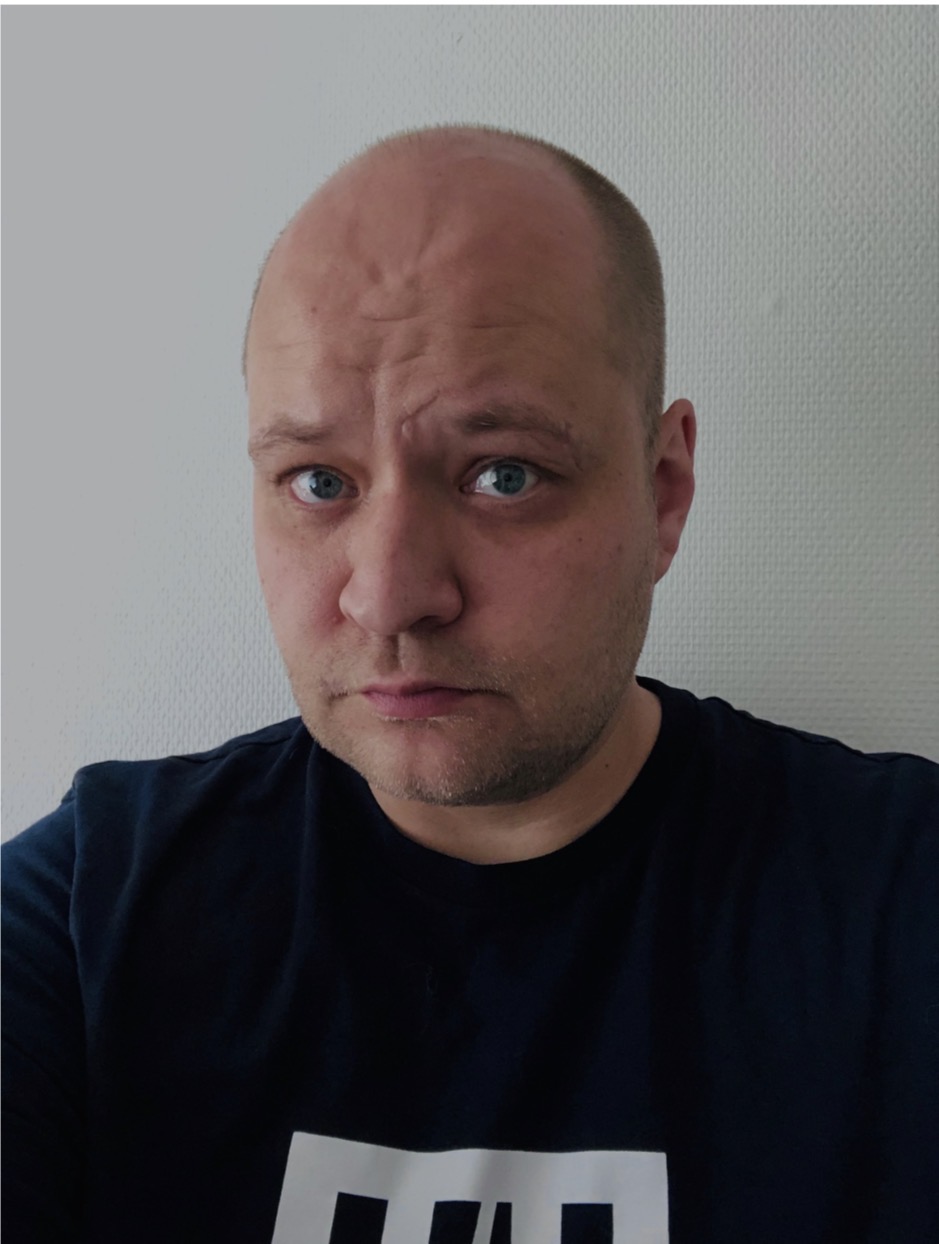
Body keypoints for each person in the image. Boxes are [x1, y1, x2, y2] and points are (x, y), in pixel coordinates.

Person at [2, 125, 936, 1244]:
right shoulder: (86, 917)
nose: (390, 597)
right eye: (317, 480)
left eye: (504, 474)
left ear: (663, 489)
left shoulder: (903, 904)